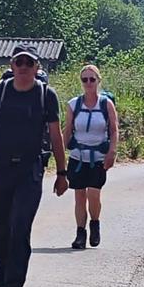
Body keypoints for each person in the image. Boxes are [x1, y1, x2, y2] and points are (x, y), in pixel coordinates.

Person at [0, 44, 69, 287]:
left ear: (37, 67)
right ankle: (2, 273)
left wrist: (62, 172)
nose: (24, 67)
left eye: (29, 63)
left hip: (29, 170)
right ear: (11, 66)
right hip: (0, 169)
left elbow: (56, 136)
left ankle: (14, 285)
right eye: (19, 63)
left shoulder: (46, 95)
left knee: (20, 227)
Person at [62, 64, 118, 249]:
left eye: (92, 79)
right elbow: (67, 130)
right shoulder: (73, 104)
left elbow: (114, 129)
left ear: (98, 81)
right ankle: (80, 234)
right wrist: (61, 155)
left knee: (94, 194)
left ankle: (95, 225)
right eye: (84, 79)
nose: (88, 83)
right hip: (78, 157)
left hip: (99, 157)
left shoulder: (106, 104)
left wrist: (112, 152)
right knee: (79, 196)